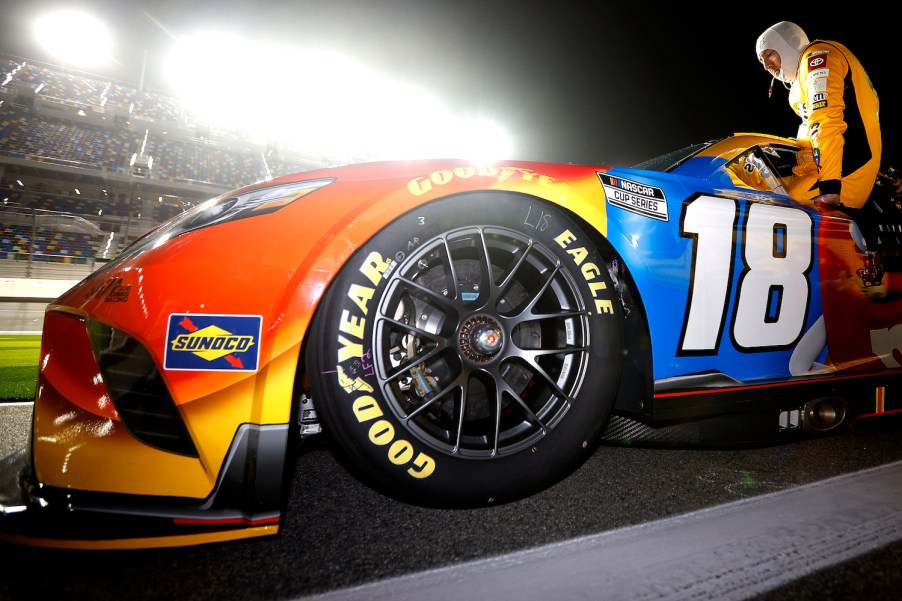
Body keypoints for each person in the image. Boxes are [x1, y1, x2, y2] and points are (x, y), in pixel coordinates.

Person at [755, 21, 882, 210]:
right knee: (751, 177)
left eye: (769, 54)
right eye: (761, 60)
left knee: (771, 205)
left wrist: (830, 184)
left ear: (789, 43)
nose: (766, 65)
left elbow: (825, 119)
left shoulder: (818, 56)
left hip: (843, 172)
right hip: (821, 167)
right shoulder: (805, 71)